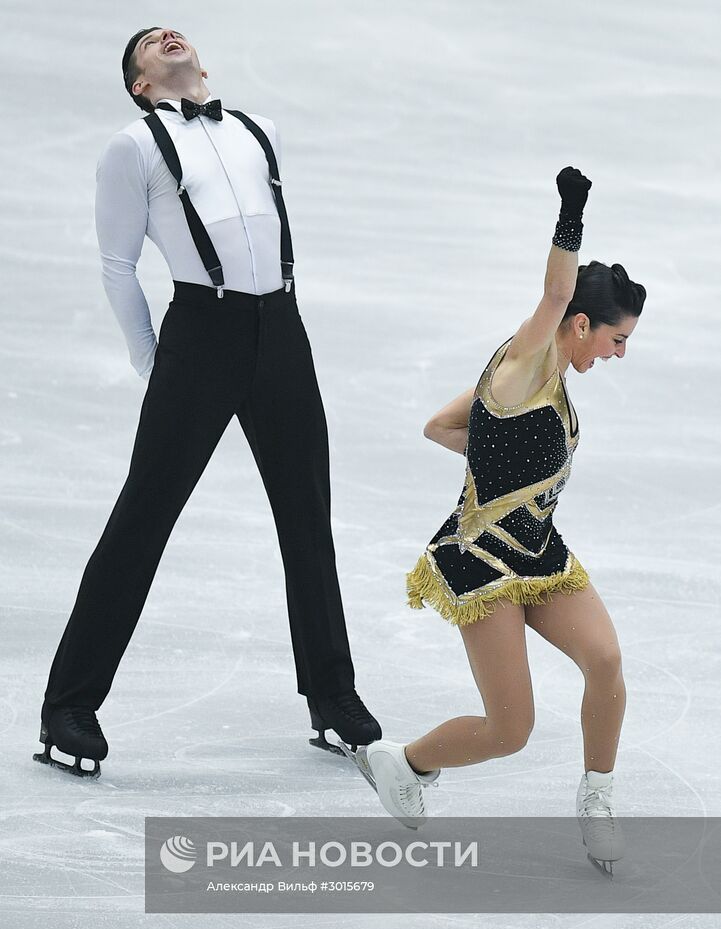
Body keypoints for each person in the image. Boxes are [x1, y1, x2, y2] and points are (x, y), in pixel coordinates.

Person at [33, 26, 381, 778]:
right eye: (148, 45)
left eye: (174, 34)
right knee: (143, 517)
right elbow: (117, 265)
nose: (166, 36)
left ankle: (332, 694)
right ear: (138, 82)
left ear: (203, 66)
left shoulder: (260, 132)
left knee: (305, 514)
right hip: (200, 331)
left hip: (281, 329)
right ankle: (68, 706)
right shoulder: (132, 147)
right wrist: (153, 362)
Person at [341, 167, 646, 877]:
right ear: (579, 324)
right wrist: (571, 215)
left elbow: (441, 426)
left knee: (603, 660)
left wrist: (495, 463)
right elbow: (551, 292)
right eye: (616, 338)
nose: (619, 352)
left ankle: (596, 797)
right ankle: (404, 761)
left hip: (538, 552)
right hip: (481, 562)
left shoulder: (527, 387)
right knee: (510, 731)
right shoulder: (518, 367)